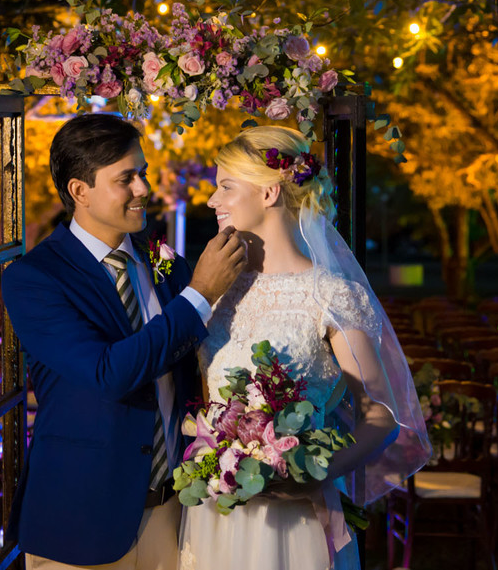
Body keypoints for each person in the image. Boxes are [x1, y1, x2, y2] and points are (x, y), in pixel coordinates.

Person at [179, 126, 431, 570]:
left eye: (225, 186)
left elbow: (380, 418)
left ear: (270, 192)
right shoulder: (215, 291)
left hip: (294, 520)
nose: (212, 201)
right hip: (215, 514)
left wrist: (313, 474)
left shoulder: (331, 296)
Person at [3, 113, 247, 570]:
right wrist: (200, 294)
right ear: (79, 191)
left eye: (143, 174)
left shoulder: (164, 262)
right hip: (81, 517)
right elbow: (107, 373)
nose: (143, 189)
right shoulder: (35, 278)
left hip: (174, 509)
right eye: (126, 179)